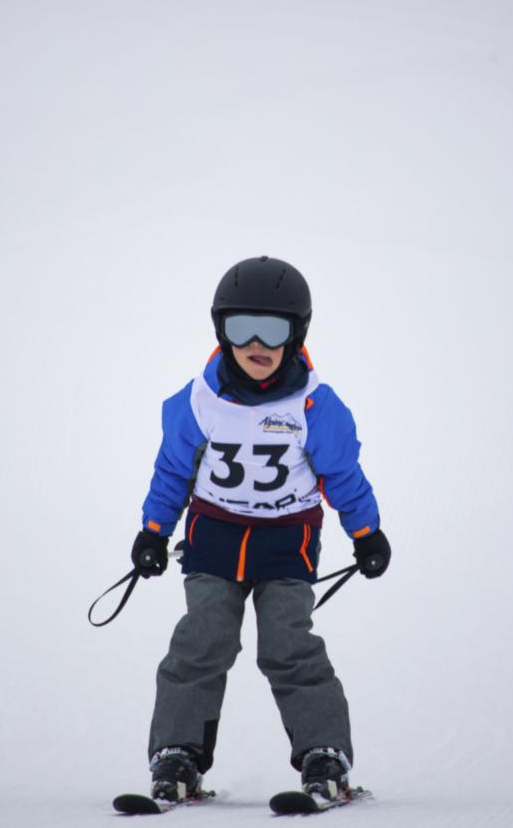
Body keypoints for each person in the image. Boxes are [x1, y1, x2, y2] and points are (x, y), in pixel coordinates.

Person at [130, 255, 392, 803]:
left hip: (285, 542)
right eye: (240, 327)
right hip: (214, 538)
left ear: (296, 334)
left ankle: (325, 756)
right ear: (220, 330)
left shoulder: (315, 406)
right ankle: (178, 755)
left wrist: (366, 532)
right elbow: (173, 470)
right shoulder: (198, 401)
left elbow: (342, 474)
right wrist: (154, 530)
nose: (255, 343)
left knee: (288, 645)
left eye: (271, 329)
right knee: (201, 642)